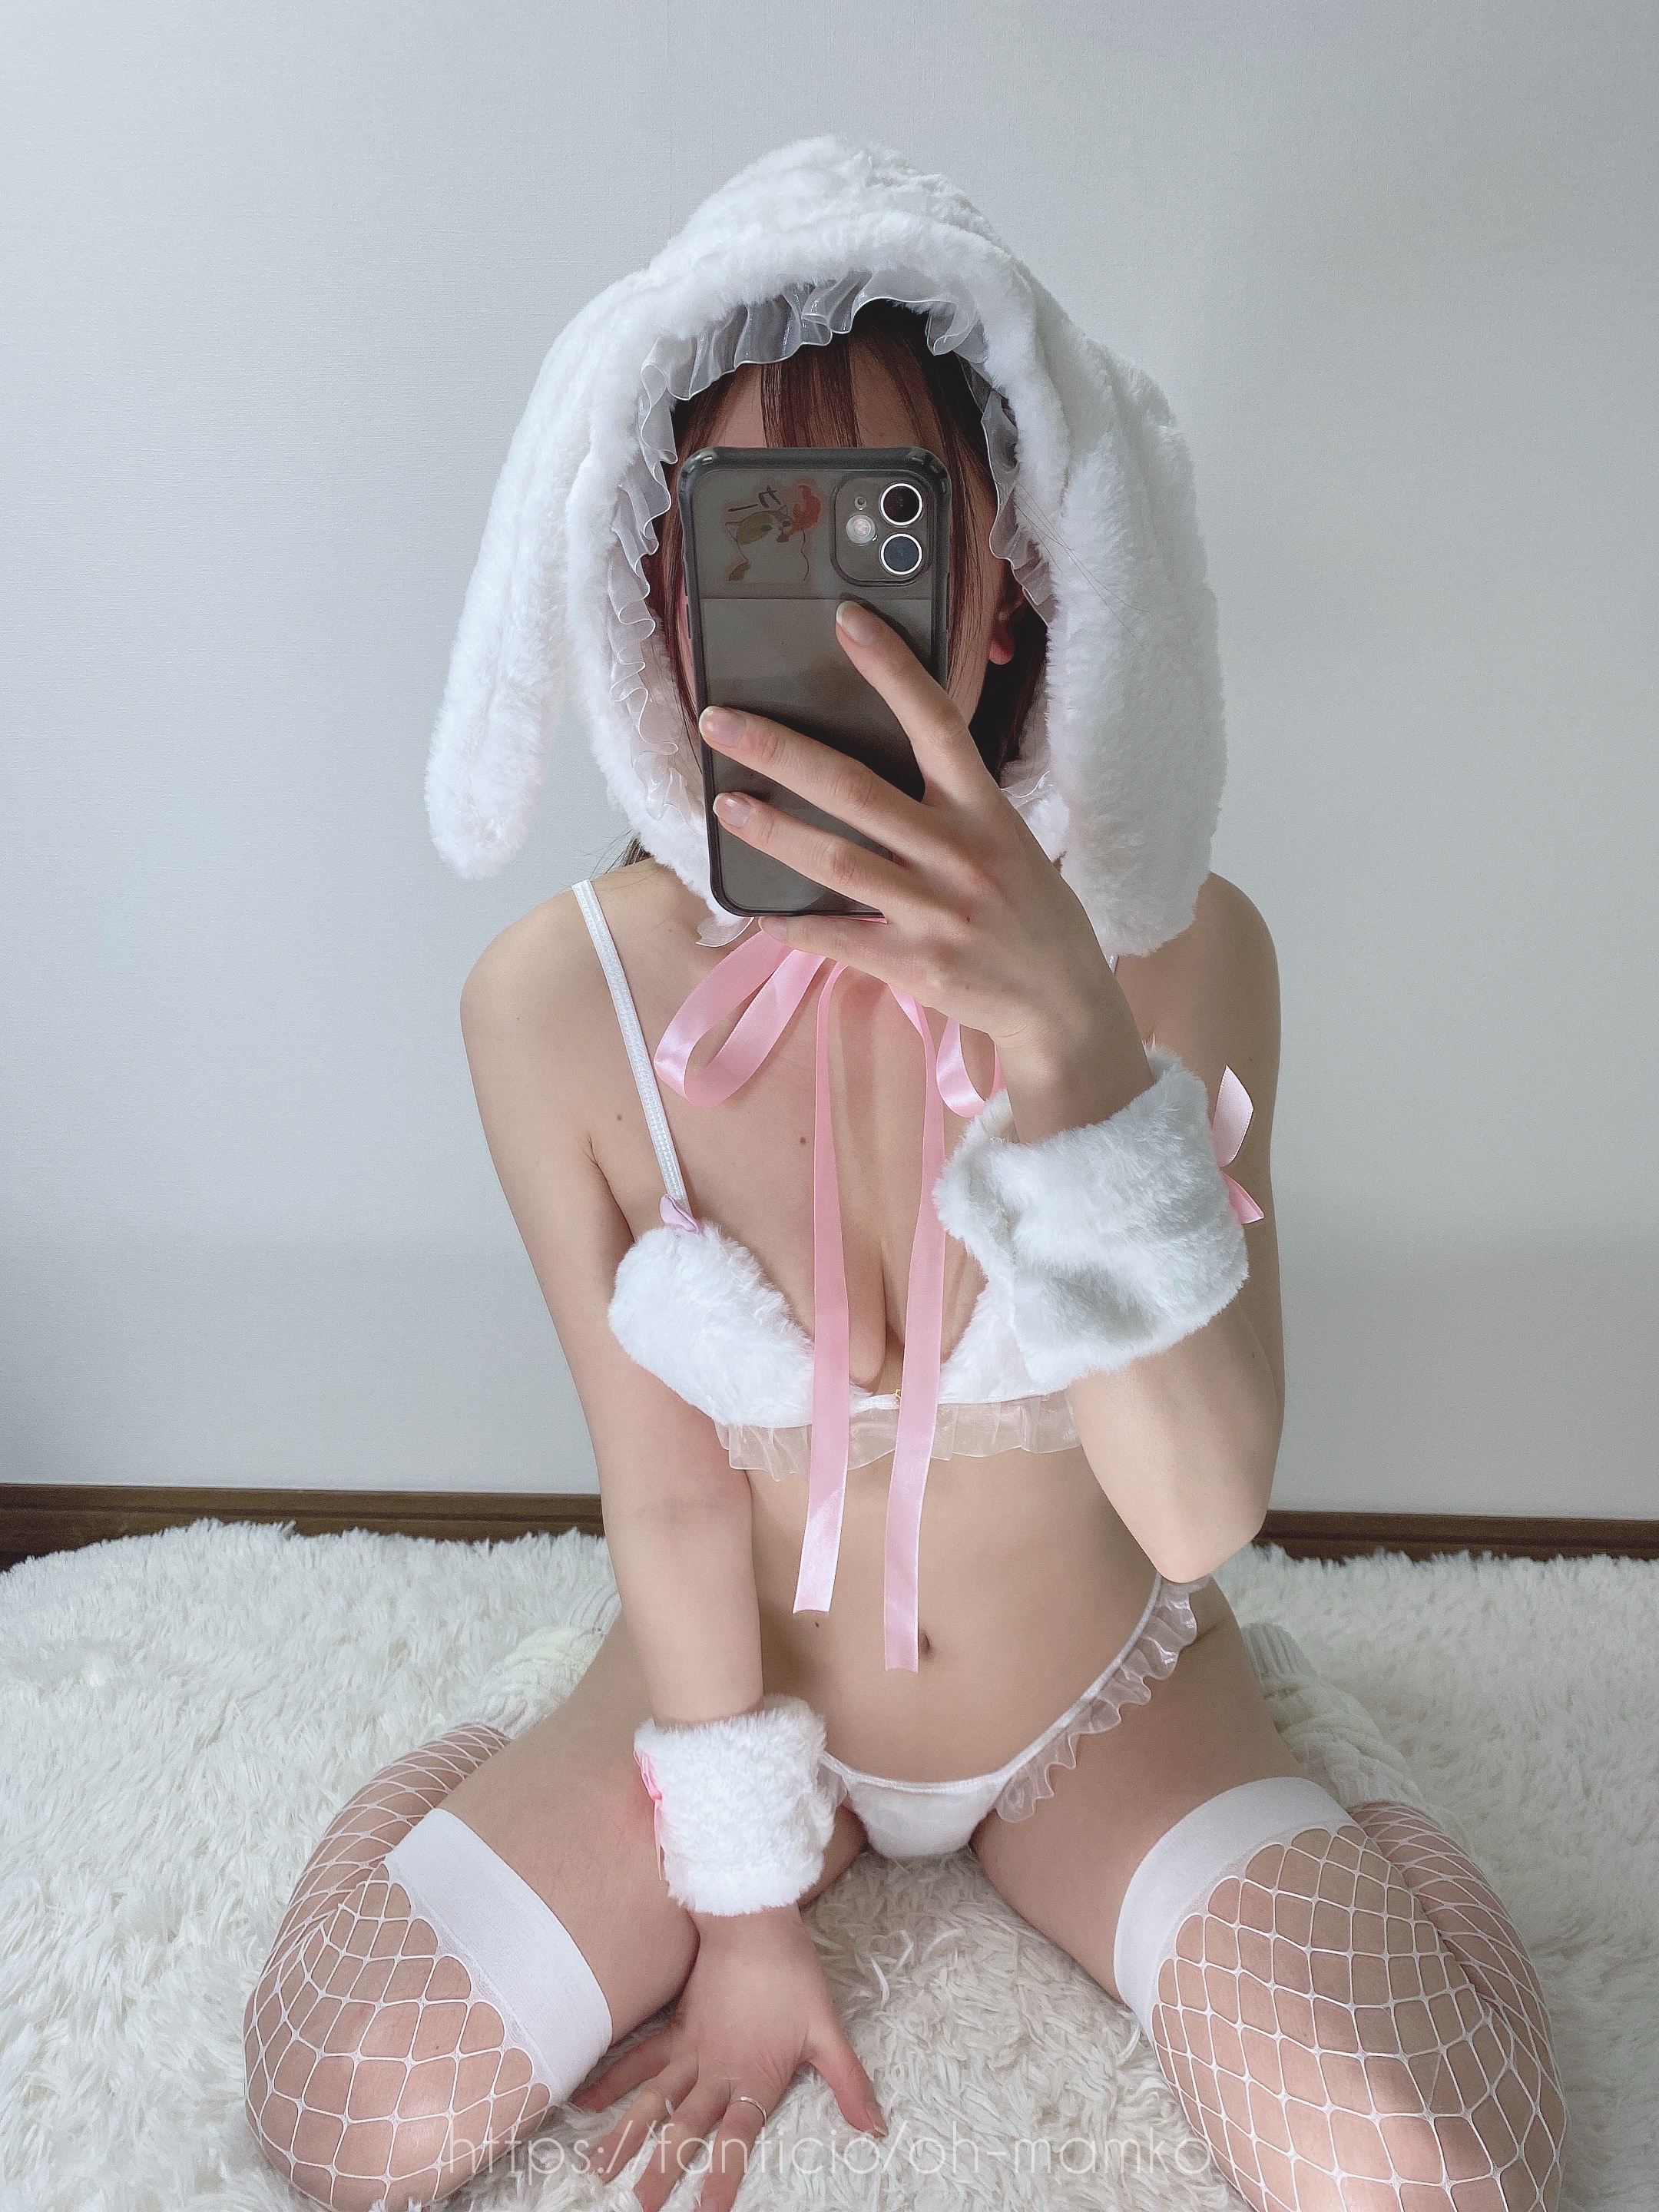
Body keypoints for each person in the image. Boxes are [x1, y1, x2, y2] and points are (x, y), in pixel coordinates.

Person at [243, 139, 1567, 2212]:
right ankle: (532, 1711)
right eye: (746, 541)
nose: (825, 624)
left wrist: (1069, 1042)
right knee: (344, 2096)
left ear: (1006, 572)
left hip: (1103, 1698)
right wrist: (744, 1913)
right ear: (656, 589)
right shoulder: (560, 1003)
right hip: (741, 1684)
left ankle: (1319, 1740)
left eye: (883, 531)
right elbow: (669, 1489)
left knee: (1442, 2173)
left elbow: (1201, 1514)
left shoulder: (1181, 953)